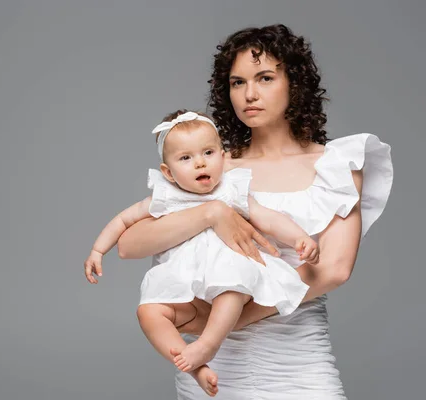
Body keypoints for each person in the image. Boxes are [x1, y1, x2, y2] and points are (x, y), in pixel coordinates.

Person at [116, 24, 393, 399]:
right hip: (212, 371)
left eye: (264, 78)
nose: (249, 94)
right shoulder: (212, 166)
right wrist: (211, 213)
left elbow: (334, 269)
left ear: (294, 81)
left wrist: (221, 325)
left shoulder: (336, 165)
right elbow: (129, 244)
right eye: (237, 82)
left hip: (293, 360)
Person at [84, 109, 316, 396]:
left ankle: (208, 344)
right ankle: (194, 365)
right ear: (167, 172)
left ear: (222, 155)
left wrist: (299, 238)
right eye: (186, 158)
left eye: (208, 152)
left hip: (230, 272)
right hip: (187, 287)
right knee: (149, 312)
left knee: (232, 288)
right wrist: (98, 250)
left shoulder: (231, 190)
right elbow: (123, 221)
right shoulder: (165, 195)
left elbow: (266, 218)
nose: (200, 163)